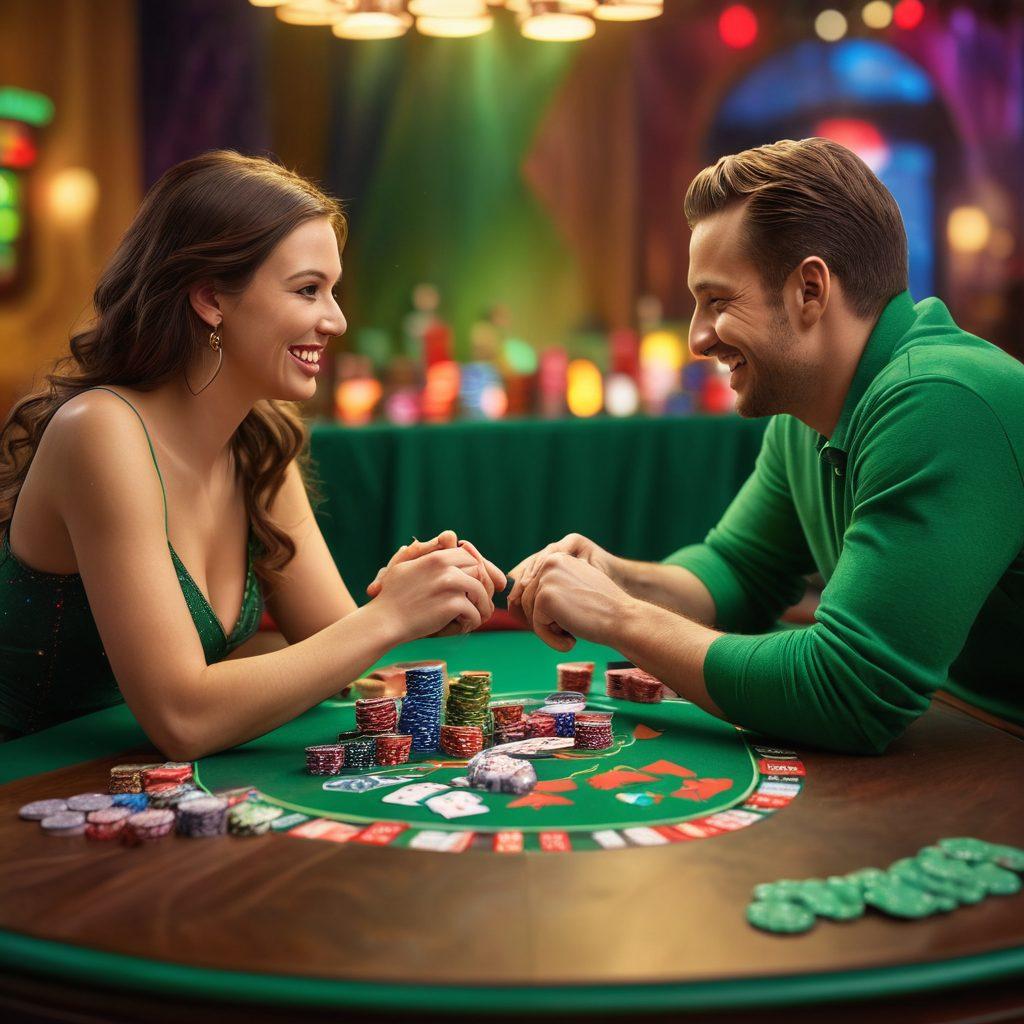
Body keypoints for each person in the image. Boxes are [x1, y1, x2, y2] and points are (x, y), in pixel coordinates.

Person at [507, 138, 1024, 755]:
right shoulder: (807, 410)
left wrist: (618, 618)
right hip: (960, 733)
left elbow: (847, 692)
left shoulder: (941, 398)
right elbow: (739, 573)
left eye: (718, 301)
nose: (698, 338)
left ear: (810, 290)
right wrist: (619, 580)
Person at [0, 151, 502, 753]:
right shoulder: (100, 432)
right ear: (211, 299)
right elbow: (184, 719)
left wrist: (417, 595)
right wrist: (386, 619)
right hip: (31, 801)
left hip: (147, 794)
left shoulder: (260, 441)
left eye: (332, 291)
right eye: (308, 290)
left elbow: (333, 647)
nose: (336, 320)